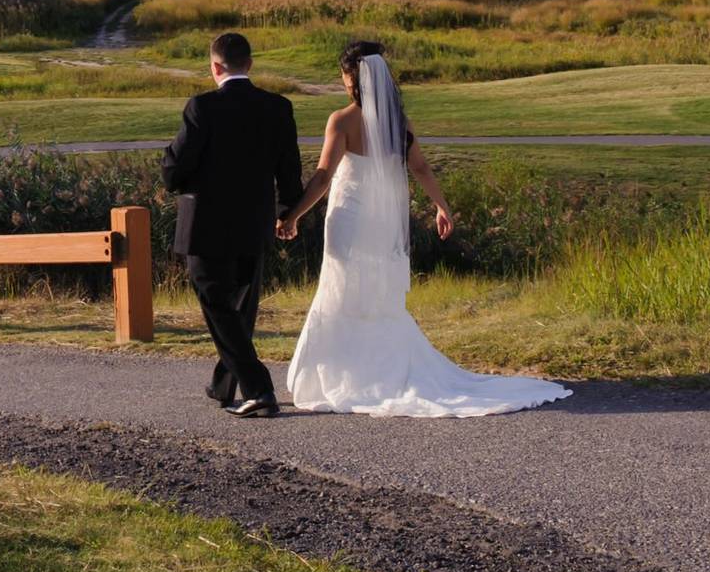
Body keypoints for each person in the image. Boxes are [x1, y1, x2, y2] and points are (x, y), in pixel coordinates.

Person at [276, 41, 571, 417]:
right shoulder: (400, 122)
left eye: (344, 73)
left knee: (344, 287)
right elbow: (421, 169)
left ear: (352, 78)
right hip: (385, 221)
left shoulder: (342, 120)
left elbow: (322, 177)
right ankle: (383, 368)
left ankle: (346, 374)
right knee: (379, 292)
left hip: (350, 217)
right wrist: (441, 206)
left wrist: (294, 216)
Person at [161, 32, 303, 418]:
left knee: (219, 307)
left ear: (214, 67)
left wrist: (178, 166)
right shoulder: (278, 107)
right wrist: (287, 212)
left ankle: (259, 390)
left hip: (205, 227)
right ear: (250, 65)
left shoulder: (201, 108)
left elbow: (174, 173)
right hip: (254, 224)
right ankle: (224, 385)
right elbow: (289, 170)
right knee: (240, 309)